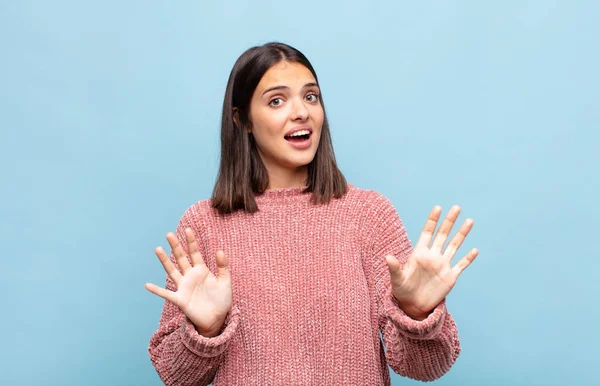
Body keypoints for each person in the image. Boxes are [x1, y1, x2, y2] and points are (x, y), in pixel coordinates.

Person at [144, 42, 478, 386]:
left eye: (310, 97)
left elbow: (427, 367)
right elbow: (175, 375)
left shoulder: (368, 215)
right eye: (277, 100)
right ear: (241, 119)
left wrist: (418, 314)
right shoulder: (204, 224)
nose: (301, 112)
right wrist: (206, 330)